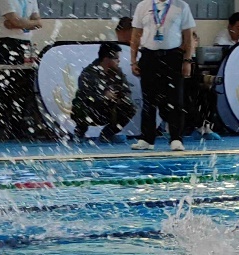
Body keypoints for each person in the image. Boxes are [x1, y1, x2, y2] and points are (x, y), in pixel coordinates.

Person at [129, 0, 197, 151]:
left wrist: (187, 60)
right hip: (149, 56)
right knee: (149, 100)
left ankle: (176, 138)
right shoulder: (143, 6)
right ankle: (147, 139)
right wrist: (133, 60)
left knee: (175, 99)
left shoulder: (181, 6)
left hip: (172, 57)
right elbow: (136, 35)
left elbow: (188, 36)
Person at [70, 42, 136, 143]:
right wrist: (103, 96)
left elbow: (126, 90)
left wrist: (120, 98)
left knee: (130, 107)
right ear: (106, 59)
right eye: (116, 58)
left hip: (107, 110)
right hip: (90, 109)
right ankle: (79, 131)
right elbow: (86, 93)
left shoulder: (118, 73)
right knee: (81, 103)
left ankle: (107, 134)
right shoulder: (89, 73)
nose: (118, 61)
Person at [0, 0, 43, 139]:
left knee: (24, 86)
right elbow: (15, 21)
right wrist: (26, 23)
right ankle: (2, 125)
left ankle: (19, 125)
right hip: (9, 43)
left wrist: (20, 24)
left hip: (26, 44)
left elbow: (38, 22)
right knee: (6, 86)